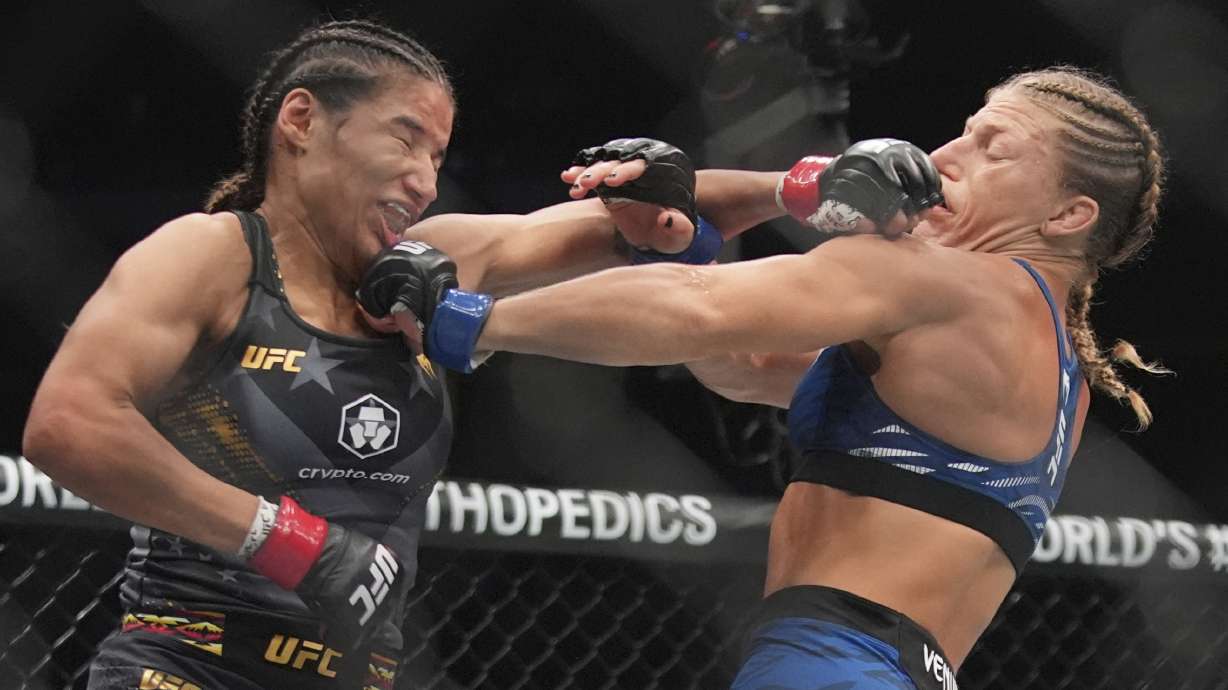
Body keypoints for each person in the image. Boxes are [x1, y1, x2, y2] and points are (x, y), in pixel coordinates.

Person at [367, 66, 1167, 689]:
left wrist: (471, 321)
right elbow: (747, 364)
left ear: (1069, 217)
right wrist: (686, 247)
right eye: (964, 131)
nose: (948, 154)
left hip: (833, 662)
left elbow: (702, 313)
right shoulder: (1053, 362)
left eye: (995, 148)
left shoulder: (952, 282)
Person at [20, 19, 728, 690]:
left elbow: (636, 223)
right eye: (405, 138)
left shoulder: (428, 265)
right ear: (300, 121)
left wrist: (776, 190)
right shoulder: (214, 254)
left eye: (437, 155)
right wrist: (288, 541)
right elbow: (69, 422)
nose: (424, 178)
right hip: (186, 666)